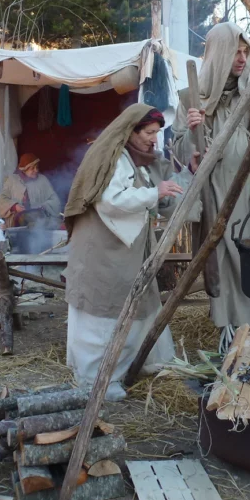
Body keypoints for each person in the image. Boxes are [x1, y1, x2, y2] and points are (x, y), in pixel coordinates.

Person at [171, 22, 250, 349]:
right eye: (235, 52)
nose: (241, 59)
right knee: (225, 258)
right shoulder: (190, 94)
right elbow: (179, 150)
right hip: (215, 191)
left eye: (245, 52)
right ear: (218, 54)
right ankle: (231, 332)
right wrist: (192, 136)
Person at [63, 104, 183, 401]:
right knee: (104, 311)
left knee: (136, 303)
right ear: (131, 130)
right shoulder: (112, 158)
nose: (154, 139)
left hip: (126, 248)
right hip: (103, 250)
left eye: (157, 132)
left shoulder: (134, 158)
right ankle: (96, 380)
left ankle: (133, 364)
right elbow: (110, 200)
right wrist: (154, 193)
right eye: (149, 132)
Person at [0, 153, 62, 228]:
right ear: (24, 169)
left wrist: (45, 206)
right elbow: (1, 200)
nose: (36, 170)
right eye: (32, 168)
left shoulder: (42, 180)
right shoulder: (12, 180)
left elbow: (55, 201)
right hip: (15, 224)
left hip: (39, 223)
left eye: (37, 167)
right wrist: (14, 206)